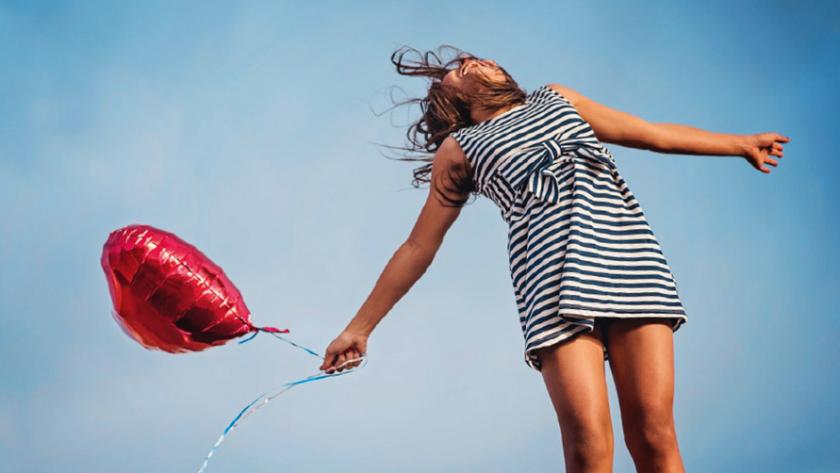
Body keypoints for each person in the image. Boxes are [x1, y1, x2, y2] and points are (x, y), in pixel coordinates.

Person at [319, 45, 789, 472]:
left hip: (629, 260)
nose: (474, 62)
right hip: (550, 285)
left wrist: (740, 143)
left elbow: (651, 133)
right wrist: (359, 328)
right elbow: (418, 247)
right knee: (587, 443)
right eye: (460, 70)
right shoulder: (459, 149)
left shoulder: (556, 99)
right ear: (452, 100)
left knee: (653, 432)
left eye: (477, 58)